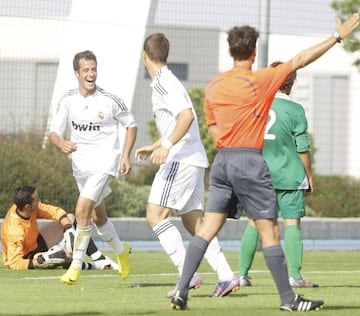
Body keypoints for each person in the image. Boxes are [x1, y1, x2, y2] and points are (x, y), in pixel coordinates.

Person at [170, 13, 359, 311]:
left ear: (230, 51)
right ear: (254, 52)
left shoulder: (215, 85)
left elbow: (212, 127)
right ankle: (289, 299)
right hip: (249, 160)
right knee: (269, 230)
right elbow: (300, 60)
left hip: (222, 161)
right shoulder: (262, 80)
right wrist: (337, 37)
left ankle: (181, 289)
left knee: (207, 228)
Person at [135, 32, 239, 298]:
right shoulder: (170, 80)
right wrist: (157, 144)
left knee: (155, 216)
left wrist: (167, 146)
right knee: (194, 222)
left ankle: (187, 274)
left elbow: (186, 116)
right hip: (193, 159)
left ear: (145, 56)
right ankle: (226, 276)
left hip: (180, 160)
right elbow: (179, 121)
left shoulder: (163, 83)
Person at [48, 50, 137, 285]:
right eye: (86, 70)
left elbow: (131, 125)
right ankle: (121, 250)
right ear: (77, 73)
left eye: (94, 69)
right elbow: (54, 133)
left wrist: (125, 155)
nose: (91, 74)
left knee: (81, 209)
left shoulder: (110, 100)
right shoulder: (67, 100)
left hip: (105, 163)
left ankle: (75, 267)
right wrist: (61, 143)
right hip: (81, 166)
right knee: (98, 217)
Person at [239, 61, 318, 288]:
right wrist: (309, 175)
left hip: (260, 175)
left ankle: (242, 275)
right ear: (291, 82)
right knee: (292, 222)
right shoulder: (295, 110)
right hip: (289, 176)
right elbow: (302, 147)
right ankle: (295, 276)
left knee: (255, 223)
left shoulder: (256, 106)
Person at [1, 185, 117, 270]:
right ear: (27, 206)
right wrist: (39, 262)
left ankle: (99, 258)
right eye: (37, 200)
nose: (39, 201)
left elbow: (55, 212)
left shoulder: (27, 208)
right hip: (28, 256)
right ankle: (97, 265)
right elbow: (13, 263)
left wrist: (68, 230)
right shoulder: (14, 231)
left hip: (36, 241)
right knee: (62, 256)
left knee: (70, 218)